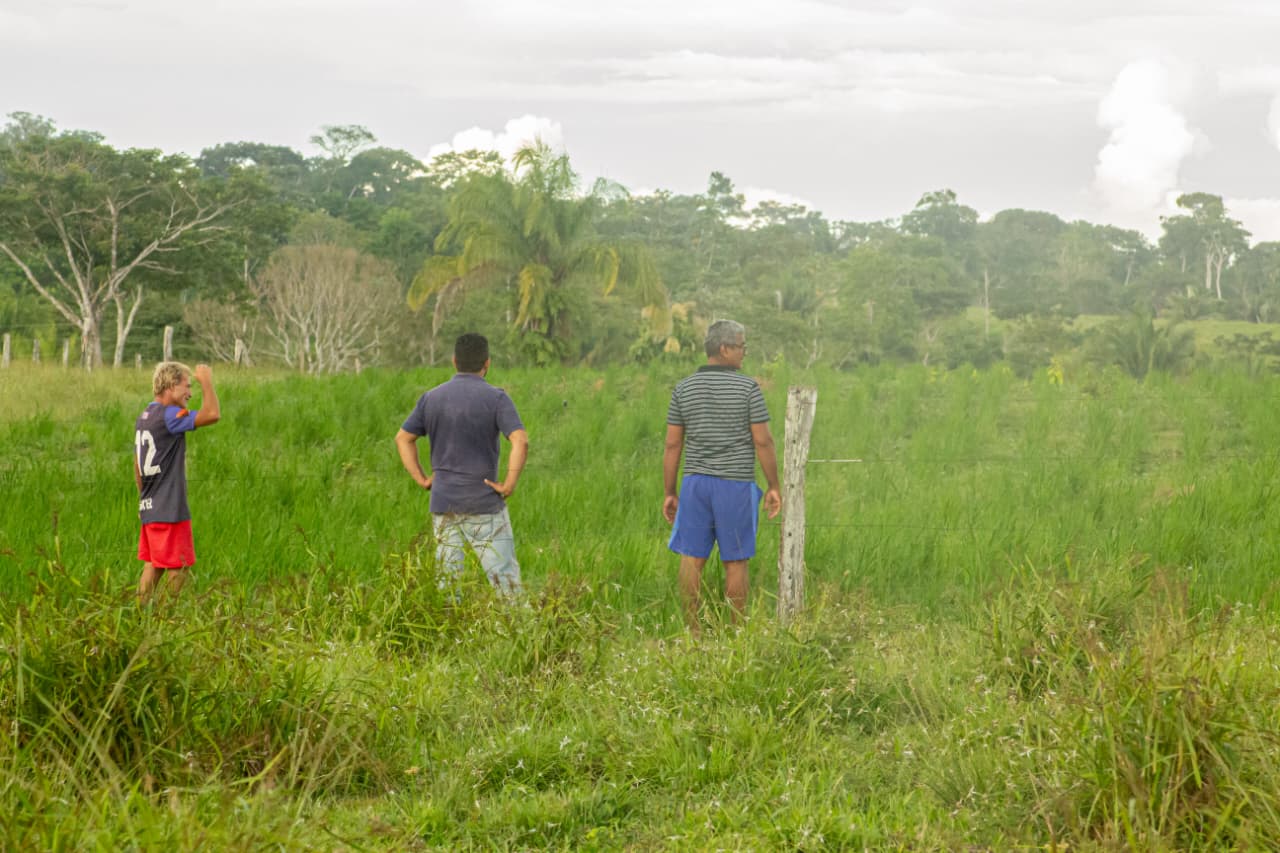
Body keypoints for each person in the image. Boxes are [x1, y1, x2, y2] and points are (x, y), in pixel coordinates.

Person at [663, 319, 781, 632]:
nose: (745, 352)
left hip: (695, 484)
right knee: (736, 560)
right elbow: (763, 440)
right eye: (741, 346)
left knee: (691, 558)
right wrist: (773, 485)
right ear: (725, 349)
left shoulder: (683, 389)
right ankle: (736, 633)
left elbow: (673, 444)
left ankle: (693, 632)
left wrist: (670, 492)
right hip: (735, 484)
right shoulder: (748, 388)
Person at [395, 333, 528, 599]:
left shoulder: (431, 398)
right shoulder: (497, 398)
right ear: (487, 363)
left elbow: (403, 438)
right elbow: (520, 441)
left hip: (444, 504)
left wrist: (422, 479)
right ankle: (519, 637)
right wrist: (509, 484)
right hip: (485, 504)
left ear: (454, 361)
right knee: (506, 585)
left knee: (448, 586)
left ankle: (452, 637)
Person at [135, 362, 221, 603]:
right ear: (171, 386)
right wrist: (206, 380)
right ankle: (165, 620)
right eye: (187, 386)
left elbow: (136, 466)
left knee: (154, 564)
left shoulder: (145, 416)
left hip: (150, 507)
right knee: (179, 566)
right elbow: (212, 414)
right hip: (170, 509)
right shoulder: (170, 415)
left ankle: (139, 617)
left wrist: (146, 498)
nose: (190, 393)